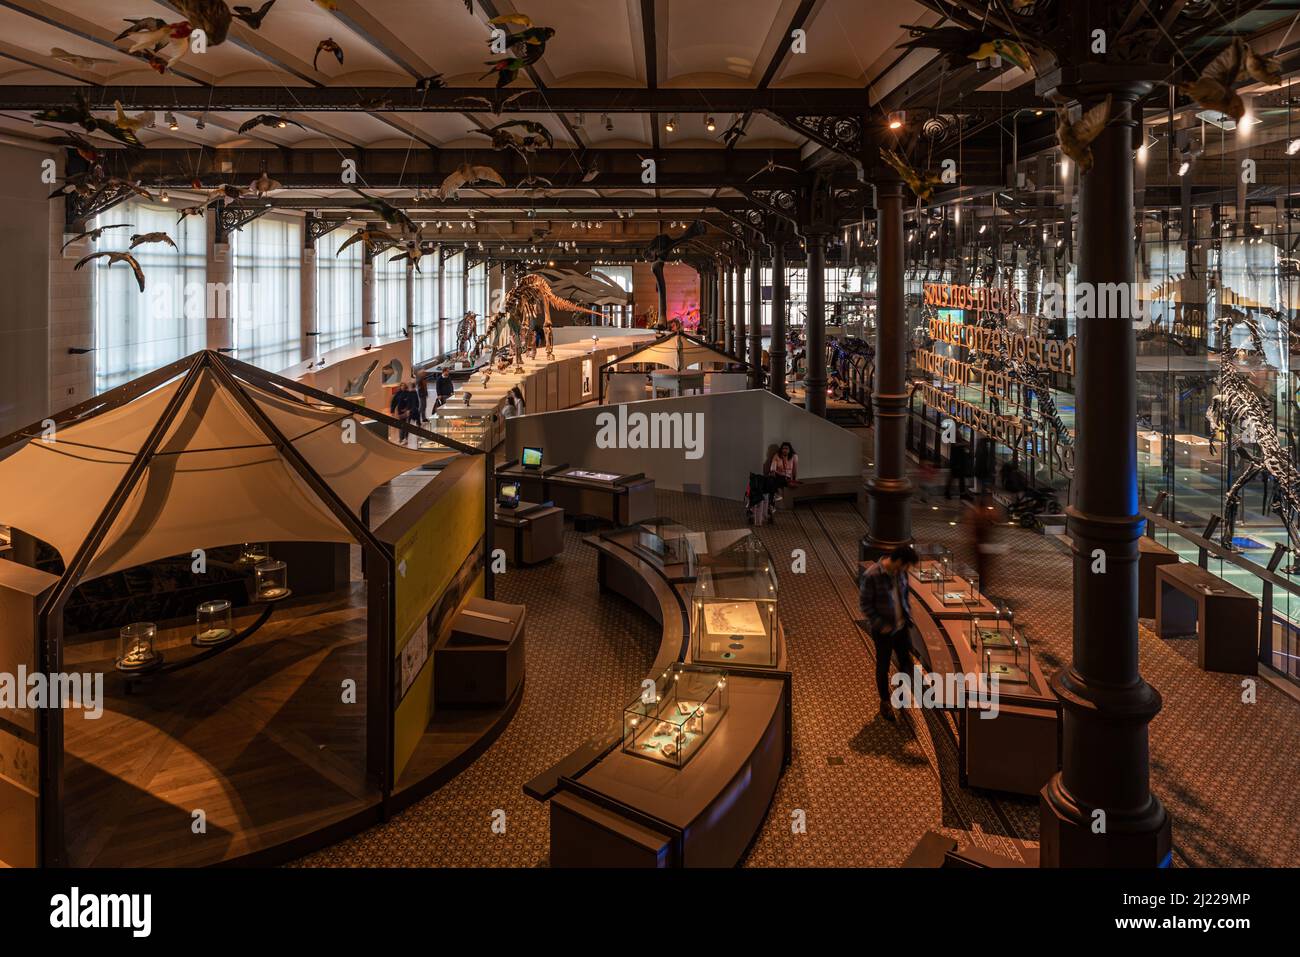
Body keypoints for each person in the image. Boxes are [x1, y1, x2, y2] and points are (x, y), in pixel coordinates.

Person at [859, 545, 919, 722]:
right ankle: (885, 702)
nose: (908, 570)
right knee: (883, 666)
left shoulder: (901, 573)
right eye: (907, 565)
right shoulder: (872, 575)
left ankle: (901, 695)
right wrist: (881, 624)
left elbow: (904, 595)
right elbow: (865, 605)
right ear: (900, 562)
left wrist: (907, 615)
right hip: (883, 631)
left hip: (901, 628)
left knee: (906, 663)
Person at [765, 442, 799, 515]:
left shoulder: (794, 456)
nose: (785, 450)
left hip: (787, 477)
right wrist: (773, 472)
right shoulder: (777, 456)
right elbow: (773, 467)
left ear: (790, 450)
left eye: (786, 449)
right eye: (783, 448)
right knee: (771, 480)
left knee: (774, 483)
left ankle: (772, 504)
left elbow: (795, 469)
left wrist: (794, 479)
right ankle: (772, 503)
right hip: (778, 475)